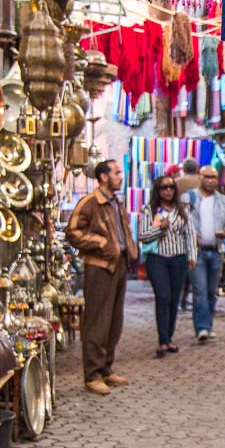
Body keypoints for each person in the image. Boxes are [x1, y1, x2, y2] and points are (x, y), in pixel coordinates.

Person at [65, 159, 138, 395]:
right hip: (99, 266)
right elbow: (73, 232)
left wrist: (129, 248)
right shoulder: (90, 202)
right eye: (116, 172)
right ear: (104, 177)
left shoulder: (116, 202)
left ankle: (107, 368)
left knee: (114, 321)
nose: (121, 176)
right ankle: (92, 374)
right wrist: (101, 243)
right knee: (97, 320)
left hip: (119, 265)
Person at [137, 175, 197, 357]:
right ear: (158, 190)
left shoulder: (183, 209)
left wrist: (192, 256)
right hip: (157, 258)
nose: (168, 190)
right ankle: (162, 340)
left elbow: (190, 234)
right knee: (162, 296)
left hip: (178, 258)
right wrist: (158, 229)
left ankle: (169, 337)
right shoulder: (149, 210)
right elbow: (142, 235)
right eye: (164, 188)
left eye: (171, 187)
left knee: (173, 299)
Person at [189, 165, 225, 343]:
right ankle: (201, 327)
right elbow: (182, 221)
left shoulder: (223, 201)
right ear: (200, 178)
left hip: (216, 250)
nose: (210, 180)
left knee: (211, 291)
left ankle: (208, 325)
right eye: (207, 177)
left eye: (214, 177)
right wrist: (191, 235)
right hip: (197, 251)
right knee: (199, 289)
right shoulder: (190, 198)